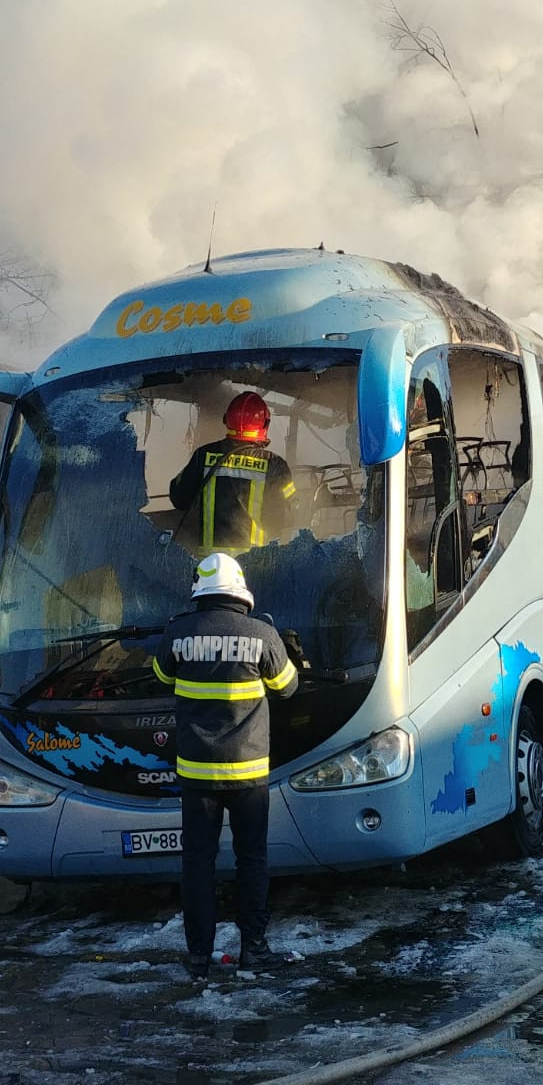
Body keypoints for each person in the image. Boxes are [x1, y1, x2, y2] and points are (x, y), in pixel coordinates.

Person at [151, 551, 300, 979]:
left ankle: (199, 954)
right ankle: (254, 948)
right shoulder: (262, 634)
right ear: (240, 592)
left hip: (197, 776)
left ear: (200, 591)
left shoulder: (178, 634)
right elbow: (288, 688)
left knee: (198, 863)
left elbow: (162, 677)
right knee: (251, 859)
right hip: (249, 775)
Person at [169, 392, 297, 554]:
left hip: (210, 564)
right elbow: (285, 516)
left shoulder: (203, 455)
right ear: (264, 424)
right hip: (253, 564)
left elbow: (178, 498)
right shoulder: (274, 465)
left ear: (227, 420)